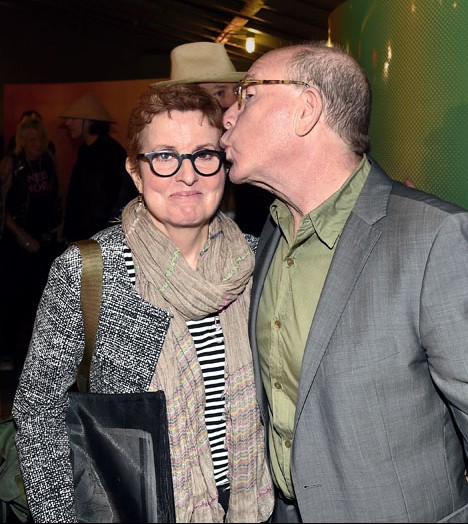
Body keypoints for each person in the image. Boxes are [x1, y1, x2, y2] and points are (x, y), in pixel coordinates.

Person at [221, 40, 468, 523]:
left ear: (306, 110)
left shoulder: (433, 237)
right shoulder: (272, 230)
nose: (228, 115)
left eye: (247, 94)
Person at [12, 83, 274, 523]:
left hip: (252, 504)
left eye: (203, 155)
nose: (186, 175)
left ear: (224, 164)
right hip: (134, 506)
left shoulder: (258, 260)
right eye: (164, 156)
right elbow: (37, 406)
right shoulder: (89, 270)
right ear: (136, 171)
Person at [154, 41, 273, 234]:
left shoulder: (255, 152)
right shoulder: (161, 158)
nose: (229, 103)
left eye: (229, 92)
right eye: (217, 93)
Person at [0, 116, 63, 370]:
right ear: (22, 142)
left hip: (44, 242)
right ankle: (7, 353)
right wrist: (21, 236)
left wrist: (60, 223)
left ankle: (31, 356)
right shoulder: (11, 165)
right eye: (31, 139)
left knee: (40, 301)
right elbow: (2, 208)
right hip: (18, 242)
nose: (36, 144)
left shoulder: (49, 162)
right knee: (14, 299)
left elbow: (57, 196)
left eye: (39, 138)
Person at [60, 92, 137, 242]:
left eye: (73, 118)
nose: (67, 123)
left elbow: (120, 198)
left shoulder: (112, 153)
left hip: (100, 237)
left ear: (89, 122)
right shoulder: (84, 149)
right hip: (85, 236)